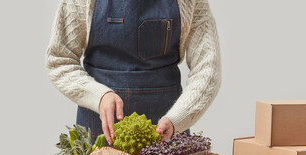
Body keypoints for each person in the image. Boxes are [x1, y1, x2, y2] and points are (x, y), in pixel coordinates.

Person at [46, 0, 221, 146]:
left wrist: (178, 119)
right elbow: (60, 60)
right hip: (99, 131)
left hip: (167, 131)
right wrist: (99, 96)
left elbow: (208, 69)